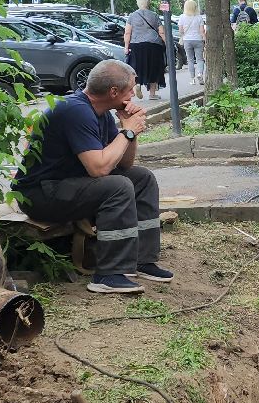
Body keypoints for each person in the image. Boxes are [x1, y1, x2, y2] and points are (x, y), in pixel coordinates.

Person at [12, 59, 173, 295]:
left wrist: (128, 129)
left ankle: (142, 260)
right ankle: (108, 274)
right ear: (114, 92)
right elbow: (99, 169)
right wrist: (128, 131)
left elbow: (125, 163)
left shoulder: (101, 112)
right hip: (39, 194)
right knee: (118, 186)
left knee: (142, 178)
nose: (134, 95)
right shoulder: (75, 111)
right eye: (131, 89)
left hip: (69, 184)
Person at [124, 0, 168, 100]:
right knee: (154, 68)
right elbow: (161, 32)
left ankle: (137, 84)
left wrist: (126, 47)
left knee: (137, 66)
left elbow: (127, 33)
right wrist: (167, 43)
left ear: (138, 3)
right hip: (154, 45)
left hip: (136, 45)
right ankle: (152, 94)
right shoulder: (154, 15)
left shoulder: (132, 16)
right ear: (148, 3)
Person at [178, 0, 207, 83]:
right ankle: (200, 74)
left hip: (187, 40)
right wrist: (205, 40)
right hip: (198, 40)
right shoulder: (199, 17)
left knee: (190, 60)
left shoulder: (182, 17)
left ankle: (192, 79)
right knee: (200, 59)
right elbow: (202, 31)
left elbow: (181, 31)